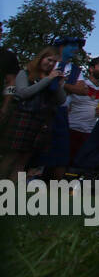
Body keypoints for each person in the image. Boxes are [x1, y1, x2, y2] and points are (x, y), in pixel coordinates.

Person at [1, 47, 67, 181]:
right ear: (41, 58)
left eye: (53, 62)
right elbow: (23, 93)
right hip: (23, 117)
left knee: (24, 159)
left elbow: (61, 100)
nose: (50, 64)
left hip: (41, 120)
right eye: (48, 60)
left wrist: (59, 85)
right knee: (11, 156)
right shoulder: (25, 73)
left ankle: (13, 189)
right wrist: (47, 79)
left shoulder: (51, 79)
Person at [64, 56, 99, 168]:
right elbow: (67, 102)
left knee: (80, 163)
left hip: (90, 131)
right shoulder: (80, 84)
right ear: (91, 69)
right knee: (64, 161)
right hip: (71, 126)